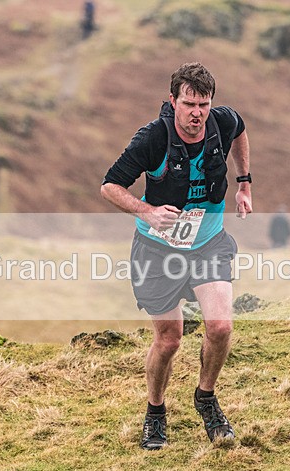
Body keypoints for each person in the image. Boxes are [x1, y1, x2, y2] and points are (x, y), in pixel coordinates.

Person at [101, 62, 253, 450]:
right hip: (158, 250)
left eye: (203, 104)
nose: (197, 113)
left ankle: (206, 397)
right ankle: (155, 411)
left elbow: (241, 130)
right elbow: (110, 186)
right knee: (169, 340)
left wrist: (244, 183)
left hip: (208, 244)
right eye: (189, 103)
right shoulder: (153, 138)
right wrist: (146, 211)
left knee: (219, 327)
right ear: (173, 101)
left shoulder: (221, 122)